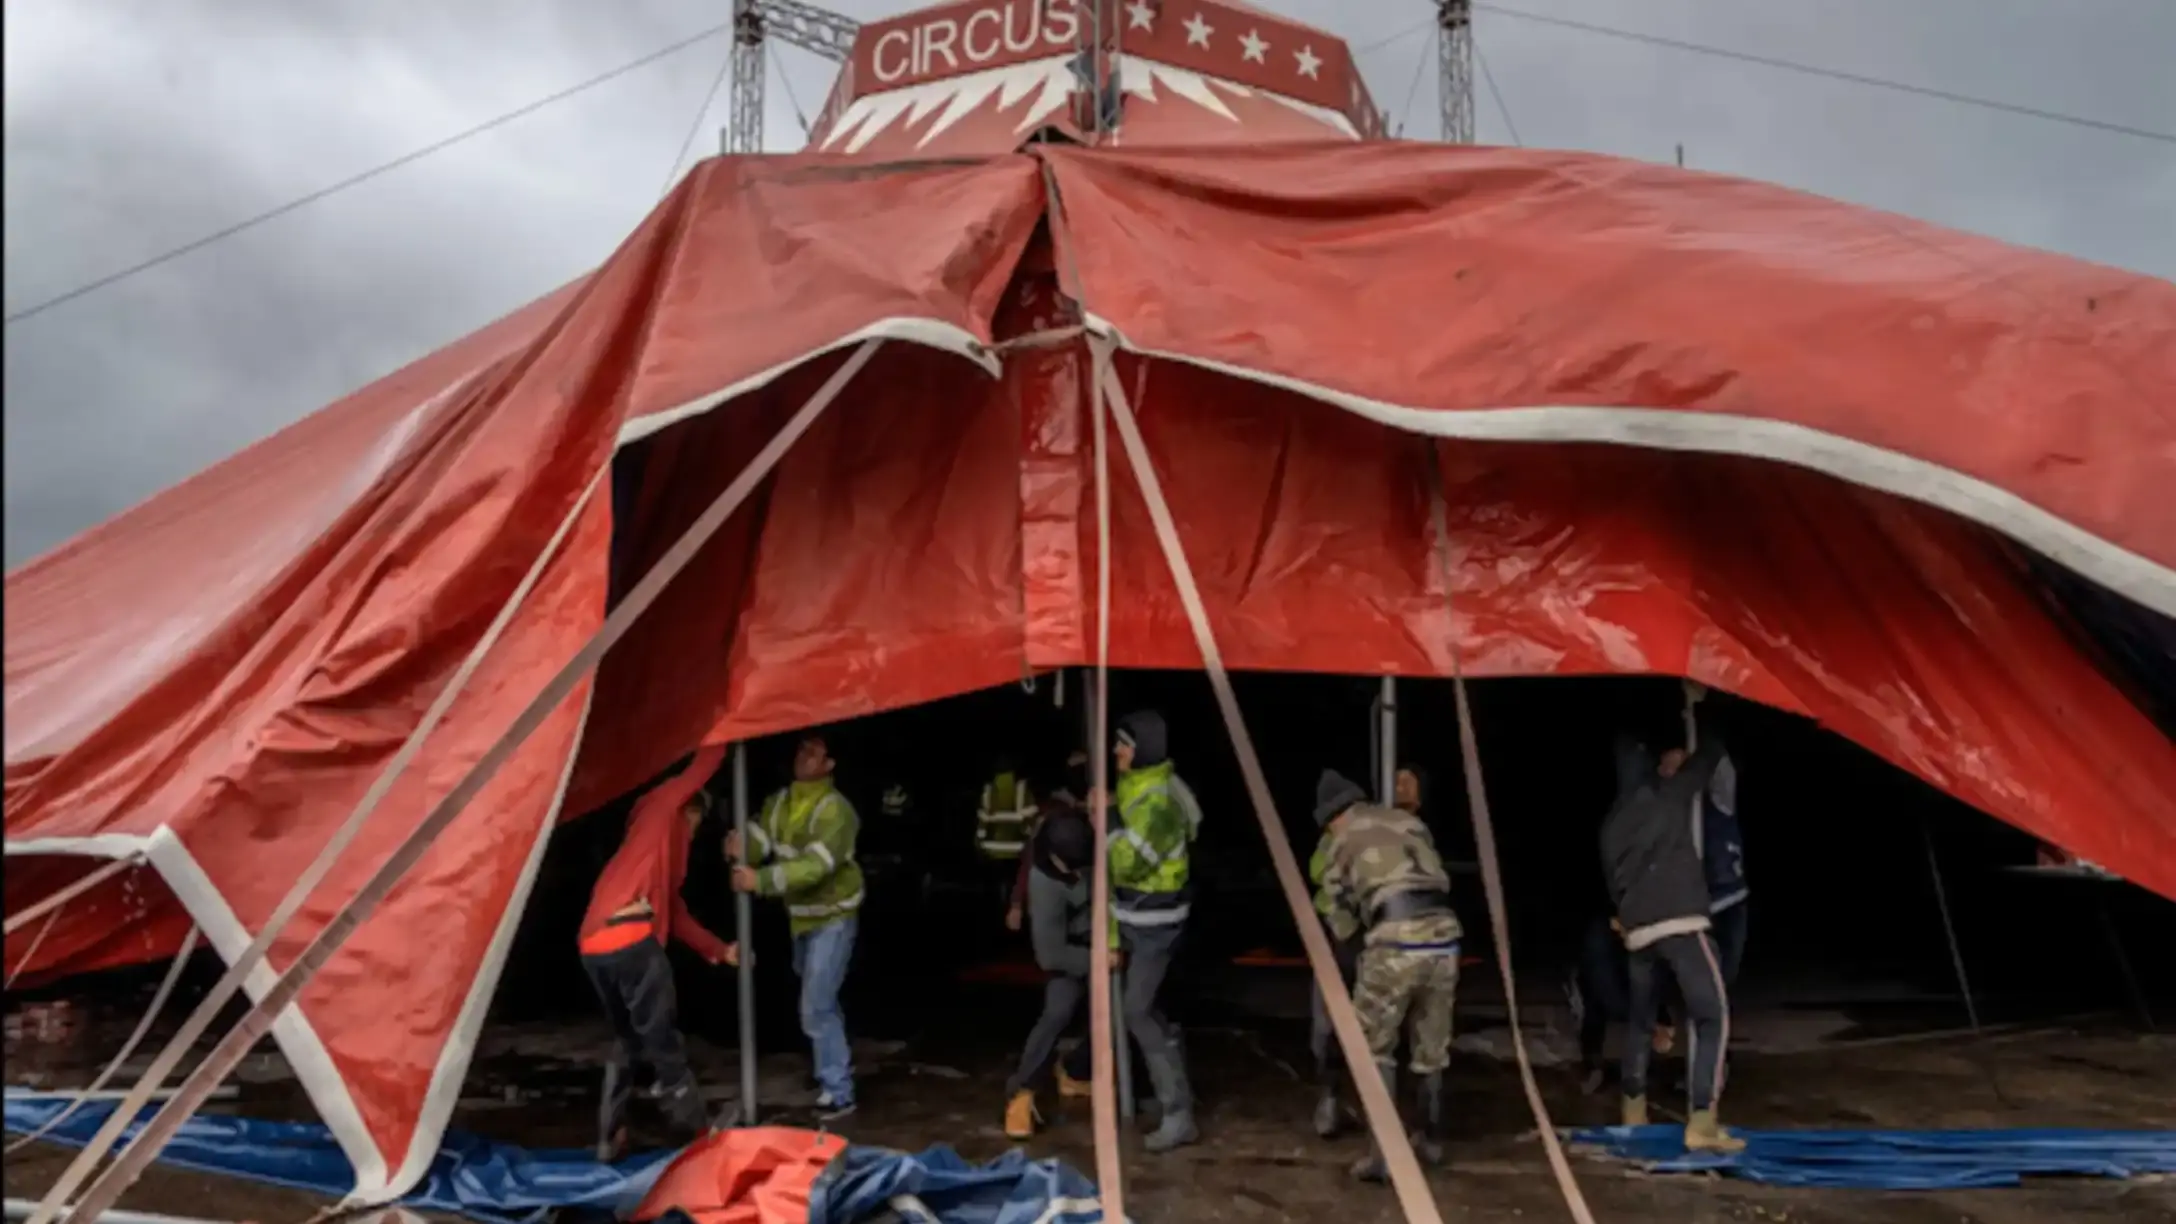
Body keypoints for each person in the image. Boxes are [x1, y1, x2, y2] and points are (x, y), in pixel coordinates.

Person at [1599, 681, 1743, 1153]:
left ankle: (1633, 1111)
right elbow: (1708, 758)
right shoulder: (1669, 797)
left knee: (1641, 1021)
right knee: (1712, 1013)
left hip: (1639, 932)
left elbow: (1612, 883)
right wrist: (1704, 709)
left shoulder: (1613, 825)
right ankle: (1702, 1119)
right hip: (1681, 921)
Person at [578, 746, 736, 1159]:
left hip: (594, 944)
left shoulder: (644, 852)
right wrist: (728, 729)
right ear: (692, 812)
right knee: (664, 1043)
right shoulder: (665, 812)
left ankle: (608, 1137)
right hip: (630, 936)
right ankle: (699, 1135)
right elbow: (698, 772)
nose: (696, 836)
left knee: (629, 1040)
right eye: (699, 824)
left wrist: (719, 950)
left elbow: (677, 915)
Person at [1313, 770, 1462, 1181]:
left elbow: (1340, 919)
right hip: (1445, 938)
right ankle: (1430, 1139)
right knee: (1432, 1045)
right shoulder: (1407, 821)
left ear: (1332, 817)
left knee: (1372, 1048)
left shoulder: (1340, 842)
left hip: (1394, 938)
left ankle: (1383, 1156)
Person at [728, 733, 864, 1120]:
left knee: (815, 1006)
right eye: (802, 749)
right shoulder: (782, 803)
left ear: (829, 764)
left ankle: (840, 1091)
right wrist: (742, 846)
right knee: (821, 1001)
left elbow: (815, 868)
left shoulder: (836, 811)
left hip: (833, 917)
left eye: (814, 752)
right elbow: (760, 837)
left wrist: (762, 880)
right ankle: (837, 1067)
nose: (803, 756)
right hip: (802, 919)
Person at [1105, 709, 1200, 1152]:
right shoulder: (1137, 785)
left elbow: (1125, 863)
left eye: (1123, 744)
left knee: (1138, 1011)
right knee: (1148, 1010)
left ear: (1141, 749)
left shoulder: (1157, 802)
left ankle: (1179, 1111)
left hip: (1154, 924)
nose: (1116, 751)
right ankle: (1166, 1090)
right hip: (1133, 917)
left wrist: (1103, 824)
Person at [1003, 800, 1113, 1138]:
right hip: (1073, 951)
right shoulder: (1043, 881)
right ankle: (1020, 1095)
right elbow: (1050, 956)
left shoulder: (1094, 844)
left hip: (1106, 937)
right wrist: (1097, 960)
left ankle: (1076, 1073)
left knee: (1131, 1009)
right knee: (1057, 1012)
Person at [1306, 812, 1363, 1138]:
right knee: (1326, 1025)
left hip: (1371, 935)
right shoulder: (1331, 839)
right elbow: (1318, 869)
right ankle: (1329, 1098)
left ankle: (1374, 1110)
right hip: (1333, 934)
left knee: (1377, 1027)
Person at [1701, 753, 1749, 990]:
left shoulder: (1720, 801)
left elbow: (1721, 764)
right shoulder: (1679, 805)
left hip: (1731, 896)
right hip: (1702, 902)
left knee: (1727, 971)